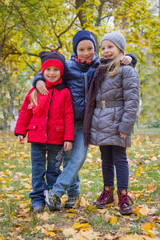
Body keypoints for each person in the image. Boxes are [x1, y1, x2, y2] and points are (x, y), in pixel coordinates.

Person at [32, 30, 137, 211]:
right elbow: (51, 70)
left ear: (95, 49)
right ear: (75, 50)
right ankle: (72, 194)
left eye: (90, 48)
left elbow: (120, 63)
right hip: (66, 121)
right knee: (67, 159)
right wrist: (38, 79)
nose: (86, 52)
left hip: (86, 122)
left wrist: (131, 57)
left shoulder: (100, 65)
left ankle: (56, 192)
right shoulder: (68, 66)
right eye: (81, 49)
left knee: (77, 158)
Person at [83, 30, 139, 215]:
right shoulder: (99, 68)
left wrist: (126, 126)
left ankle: (123, 195)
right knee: (105, 159)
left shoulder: (126, 70)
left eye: (110, 47)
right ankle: (108, 192)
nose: (106, 51)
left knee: (119, 159)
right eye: (103, 47)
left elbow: (132, 101)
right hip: (100, 119)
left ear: (120, 49)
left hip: (117, 120)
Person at [14, 50, 74, 213]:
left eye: (56, 70)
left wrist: (68, 137)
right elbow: (25, 111)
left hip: (57, 138)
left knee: (54, 169)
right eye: (48, 69)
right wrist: (21, 131)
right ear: (42, 71)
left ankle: (52, 197)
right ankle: (37, 199)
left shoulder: (65, 92)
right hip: (36, 136)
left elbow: (69, 115)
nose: (52, 73)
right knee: (38, 169)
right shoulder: (35, 90)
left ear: (61, 72)